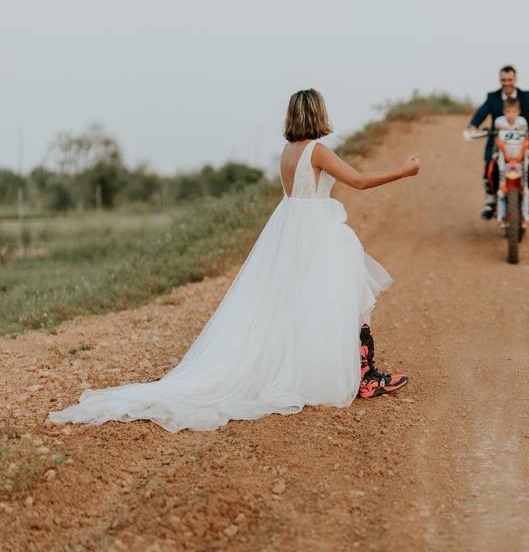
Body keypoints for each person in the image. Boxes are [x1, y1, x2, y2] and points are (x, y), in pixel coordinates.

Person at [49, 89, 419, 432]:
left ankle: (348, 370)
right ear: (318, 114)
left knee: (302, 302)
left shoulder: (287, 153)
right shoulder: (317, 151)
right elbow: (359, 182)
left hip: (290, 228)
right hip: (317, 230)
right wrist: (405, 170)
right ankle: (364, 376)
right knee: (342, 295)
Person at [466, 65, 529, 219]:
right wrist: (472, 126)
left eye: (510, 80)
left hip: (525, 141)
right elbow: (481, 113)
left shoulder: (526, 96)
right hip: (499, 142)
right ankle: (490, 201)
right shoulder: (493, 97)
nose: (507, 83)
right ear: (500, 80)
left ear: (515, 80)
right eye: (504, 80)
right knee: (489, 163)